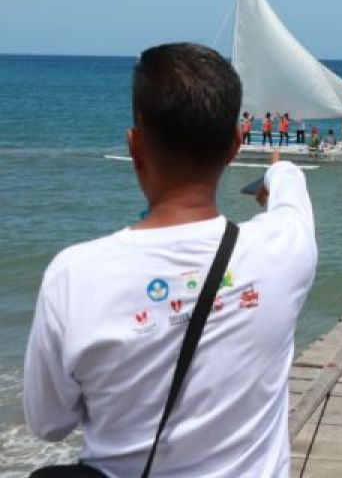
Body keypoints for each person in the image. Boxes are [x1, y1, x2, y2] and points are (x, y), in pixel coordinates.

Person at [23, 42, 317, 476]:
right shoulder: (283, 250)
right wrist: (277, 172)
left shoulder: (75, 275)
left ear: (134, 145)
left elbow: (48, 423)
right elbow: (292, 197)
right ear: (235, 145)